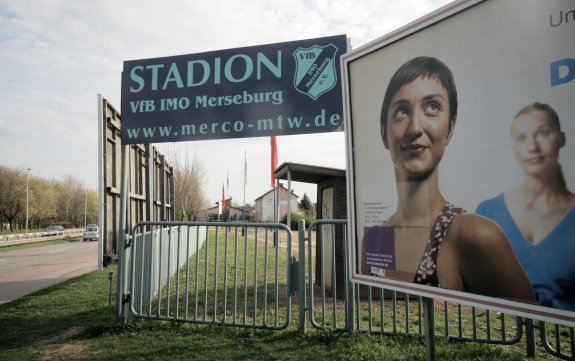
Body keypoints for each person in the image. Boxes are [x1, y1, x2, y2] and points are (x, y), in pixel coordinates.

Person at [361, 56, 535, 303]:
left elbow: (530, 333)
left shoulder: (474, 236)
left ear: (450, 128)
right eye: (401, 111)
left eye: (432, 107)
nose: (415, 128)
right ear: (383, 133)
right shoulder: (374, 240)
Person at [476, 103, 575, 311]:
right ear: (513, 146)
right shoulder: (488, 212)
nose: (532, 146)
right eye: (522, 138)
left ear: (562, 139)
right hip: (506, 338)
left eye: (543, 133)